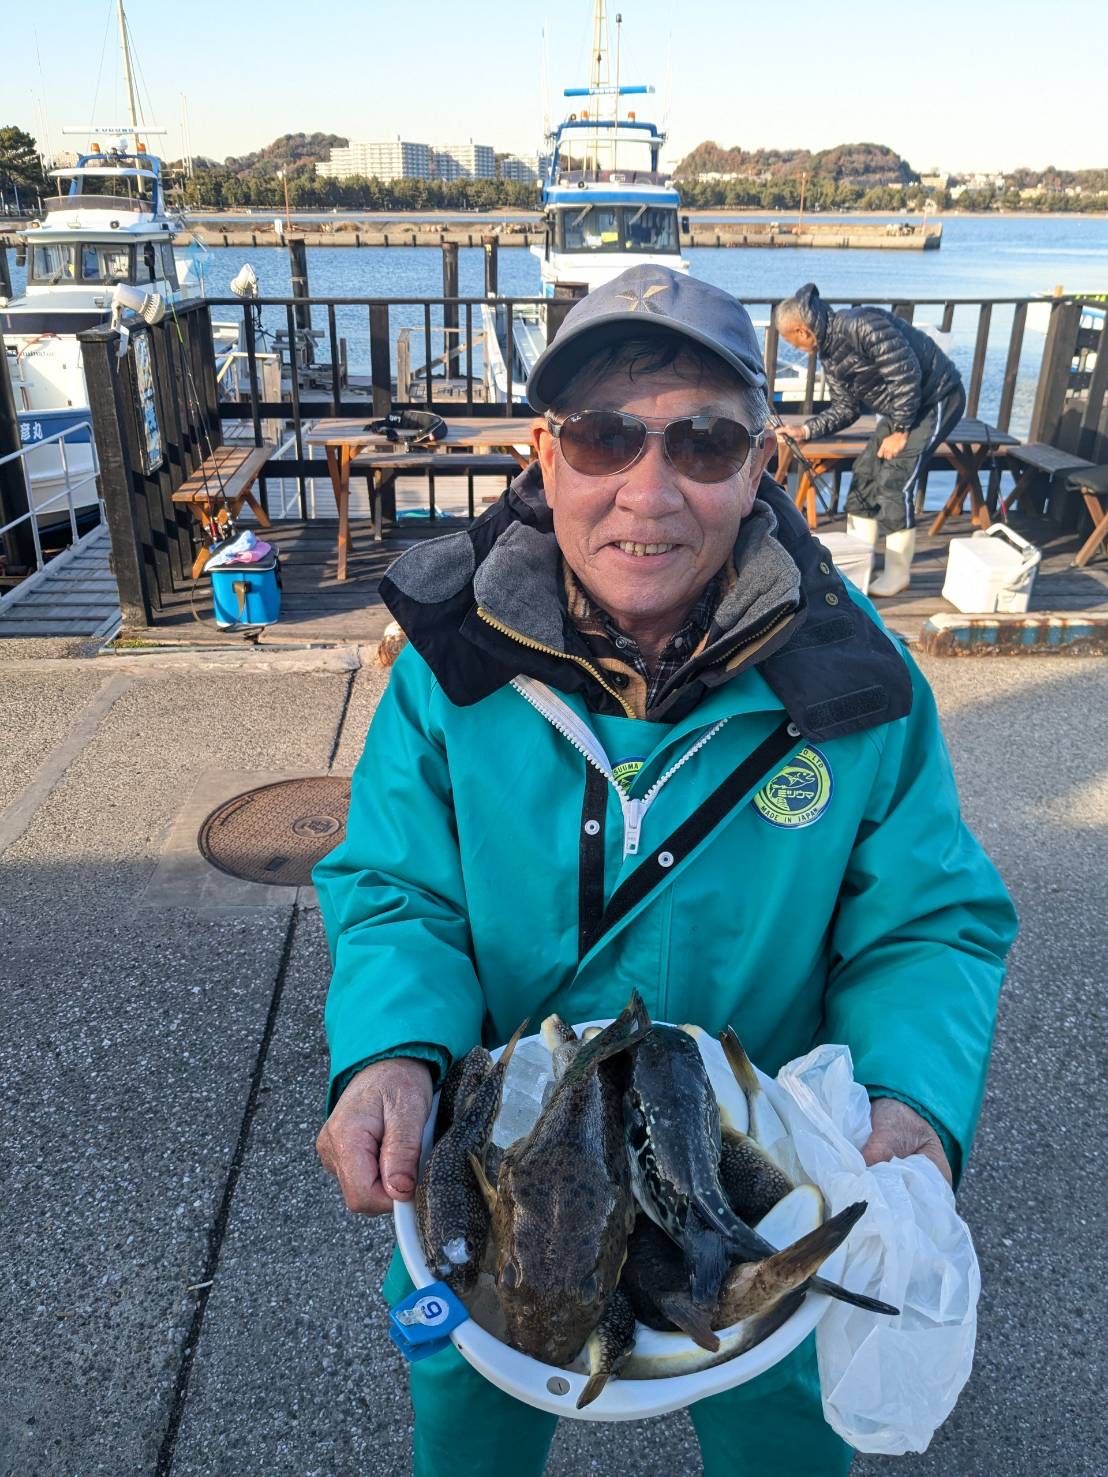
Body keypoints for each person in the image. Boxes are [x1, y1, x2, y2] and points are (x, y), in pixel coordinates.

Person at [314, 264, 1016, 1477]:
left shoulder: (860, 683)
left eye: (702, 442)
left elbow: (928, 922)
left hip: (759, 1146)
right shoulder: (446, 666)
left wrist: (908, 1098)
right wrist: (388, 1051)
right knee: (469, 1397)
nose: (647, 491)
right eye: (603, 438)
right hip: (506, 1137)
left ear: (761, 466)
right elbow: (397, 890)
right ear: (543, 455)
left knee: (781, 1411)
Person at [773, 284, 966, 597]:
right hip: (901, 410)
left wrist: (901, 430)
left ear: (802, 331)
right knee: (864, 475)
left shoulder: (861, 324)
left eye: (789, 339)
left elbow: (905, 373)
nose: (791, 345)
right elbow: (846, 408)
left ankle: (897, 573)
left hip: (936, 397)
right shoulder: (830, 355)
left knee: (895, 480)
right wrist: (805, 430)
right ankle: (860, 564)